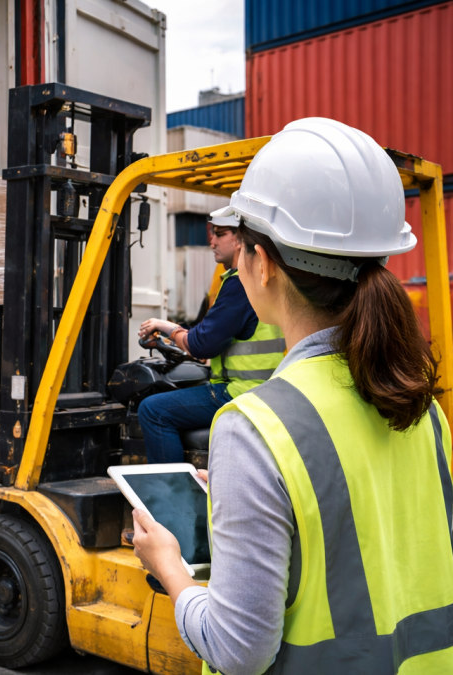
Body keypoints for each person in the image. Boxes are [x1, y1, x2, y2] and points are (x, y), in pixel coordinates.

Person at [132, 118, 453, 674]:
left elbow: (238, 651)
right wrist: (251, 496)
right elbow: (373, 528)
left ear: (262, 263)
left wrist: (169, 568)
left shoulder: (254, 430)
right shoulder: (423, 407)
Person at [136, 215, 285, 463]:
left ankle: (171, 497)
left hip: (237, 392)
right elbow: (211, 335)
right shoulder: (265, 280)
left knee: (152, 410)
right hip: (264, 390)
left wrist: (167, 327)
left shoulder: (240, 285)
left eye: (219, 233)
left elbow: (201, 344)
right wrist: (176, 335)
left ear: (240, 240)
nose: (211, 241)